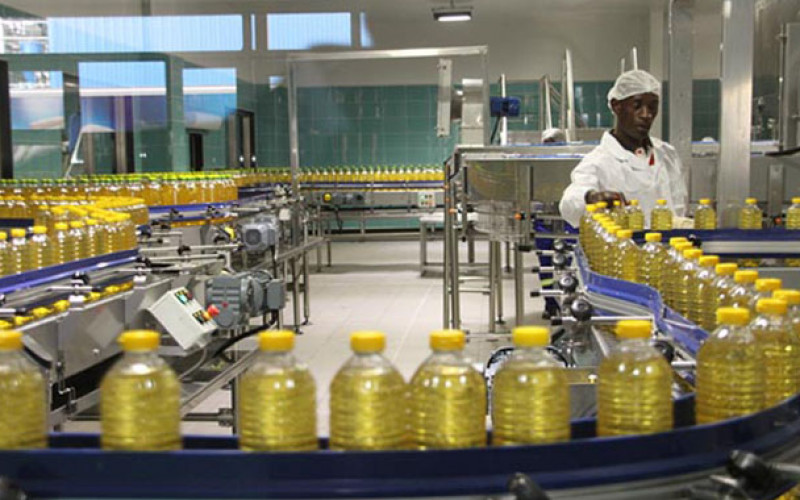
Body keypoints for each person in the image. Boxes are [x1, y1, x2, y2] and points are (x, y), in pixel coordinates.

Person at [558, 69, 688, 228]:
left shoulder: (667, 153)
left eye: (652, 107)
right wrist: (591, 197)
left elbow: (679, 207)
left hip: (671, 243)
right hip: (623, 243)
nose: (646, 115)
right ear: (616, 106)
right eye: (637, 106)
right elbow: (569, 205)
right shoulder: (598, 161)